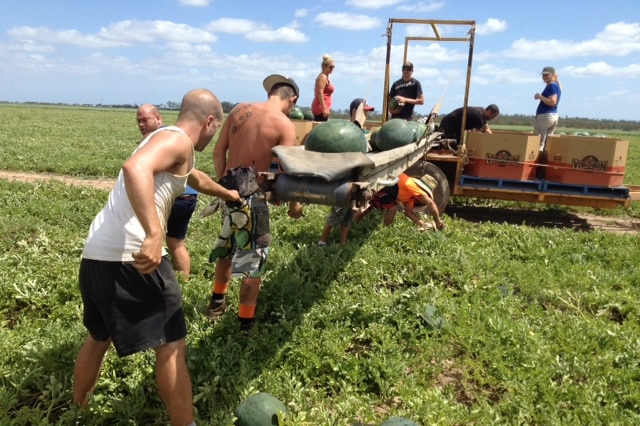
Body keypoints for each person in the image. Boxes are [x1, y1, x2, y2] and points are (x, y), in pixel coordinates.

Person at [73, 89, 241, 426]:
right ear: (209, 121)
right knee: (172, 346)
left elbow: (195, 178)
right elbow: (135, 169)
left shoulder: (167, 144)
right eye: (216, 129)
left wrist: (227, 193)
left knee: (98, 338)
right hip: (133, 257)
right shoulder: (177, 140)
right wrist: (153, 234)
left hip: (95, 256)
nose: (213, 135)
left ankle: (77, 409)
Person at [206, 74, 304, 331]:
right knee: (252, 261)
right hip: (253, 198)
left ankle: (216, 303)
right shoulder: (284, 125)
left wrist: (224, 187)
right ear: (291, 100)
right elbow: (285, 169)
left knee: (227, 247)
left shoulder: (239, 110)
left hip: (228, 191)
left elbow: (218, 152)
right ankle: (245, 324)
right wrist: (294, 202)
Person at [136, 104, 200, 280]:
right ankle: (183, 283)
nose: (141, 125)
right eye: (139, 121)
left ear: (159, 119)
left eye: (146, 120)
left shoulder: (159, 139)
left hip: (176, 198)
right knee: (175, 242)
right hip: (189, 196)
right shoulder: (171, 137)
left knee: (148, 237)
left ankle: (152, 282)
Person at [317, 98, 375, 246]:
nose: (366, 116)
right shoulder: (346, 132)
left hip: (356, 179)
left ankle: (342, 243)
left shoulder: (361, 132)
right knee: (336, 213)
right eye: (364, 112)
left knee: (350, 213)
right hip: (344, 181)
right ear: (355, 112)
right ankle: (322, 241)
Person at [355, 173, 444, 231]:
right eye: (426, 194)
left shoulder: (411, 196)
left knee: (367, 207)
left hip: (388, 193)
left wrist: (423, 224)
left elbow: (408, 212)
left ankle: (354, 225)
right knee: (392, 207)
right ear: (423, 190)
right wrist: (437, 220)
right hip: (383, 187)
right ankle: (386, 230)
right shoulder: (413, 186)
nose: (425, 198)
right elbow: (430, 203)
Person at [534, 66, 562, 151]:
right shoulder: (556, 85)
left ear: (552, 75)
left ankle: (536, 163)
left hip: (545, 116)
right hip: (552, 116)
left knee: (537, 143)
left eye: (547, 75)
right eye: (543, 75)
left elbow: (552, 102)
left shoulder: (552, 86)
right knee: (547, 145)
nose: (544, 77)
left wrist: (540, 97)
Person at [311, 54, 335, 121]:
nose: (332, 69)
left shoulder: (326, 77)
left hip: (323, 108)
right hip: (320, 108)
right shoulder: (323, 77)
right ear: (325, 66)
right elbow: (319, 92)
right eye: (330, 67)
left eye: (333, 67)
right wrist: (324, 108)